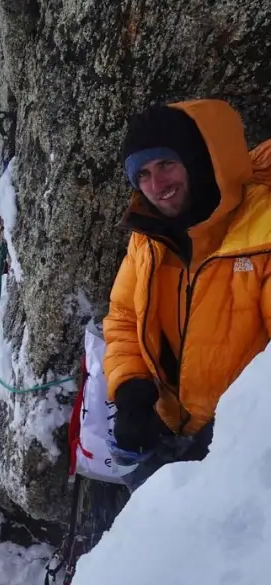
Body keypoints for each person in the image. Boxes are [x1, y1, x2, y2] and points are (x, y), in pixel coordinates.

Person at [103, 98, 271, 488]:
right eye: (142, 174)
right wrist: (131, 387)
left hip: (245, 444)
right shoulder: (149, 239)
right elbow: (124, 316)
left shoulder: (262, 232)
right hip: (170, 430)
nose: (157, 186)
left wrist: (235, 426)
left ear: (198, 160)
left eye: (166, 164)